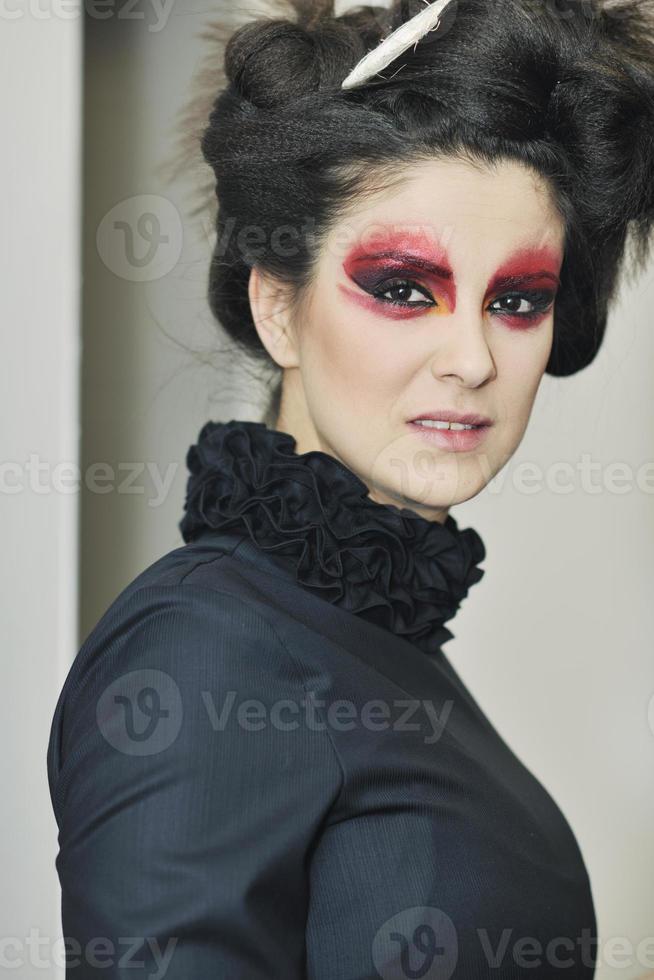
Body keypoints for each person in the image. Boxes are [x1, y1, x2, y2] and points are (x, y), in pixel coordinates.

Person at [47, 0, 654, 976]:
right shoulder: (209, 646)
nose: (471, 358)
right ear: (278, 307)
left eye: (517, 299)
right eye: (406, 288)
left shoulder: (372, 639)